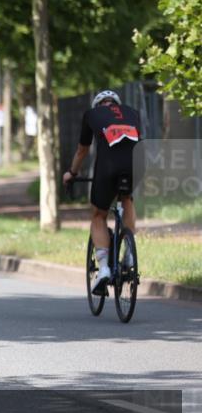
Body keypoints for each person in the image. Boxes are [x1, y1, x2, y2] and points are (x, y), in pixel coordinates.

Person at [62, 90, 142, 294]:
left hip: (108, 168)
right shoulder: (132, 112)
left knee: (99, 214)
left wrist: (72, 173)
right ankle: (130, 252)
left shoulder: (92, 115)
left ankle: (104, 268)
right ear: (117, 104)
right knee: (127, 199)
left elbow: (83, 149)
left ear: (98, 105)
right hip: (136, 165)